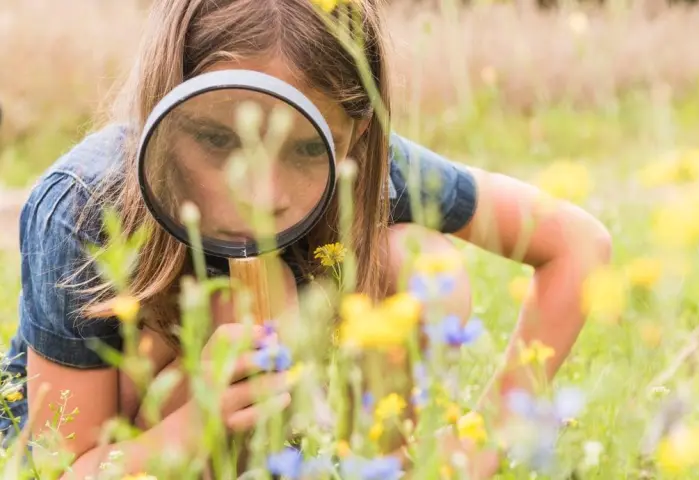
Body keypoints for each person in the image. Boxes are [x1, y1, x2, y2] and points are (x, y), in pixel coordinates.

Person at [0, 0, 611, 477]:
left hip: (290, 424)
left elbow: (577, 245)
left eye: (302, 147)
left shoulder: (369, 167)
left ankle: (380, 465)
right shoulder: (82, 204)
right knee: (214, 309)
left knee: (423, 264)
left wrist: (484, 439)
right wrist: (199, 422)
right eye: (219, 140)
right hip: (129, 444)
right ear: (167, 106)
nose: (264, 195)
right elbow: (61, 468)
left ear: (356, 131)